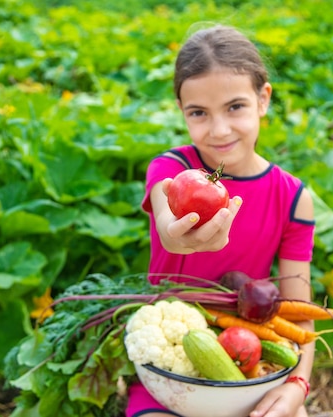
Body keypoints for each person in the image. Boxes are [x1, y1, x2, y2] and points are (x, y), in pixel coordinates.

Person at [126, 24, 316, 417]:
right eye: (199, 113)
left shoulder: (294, 198)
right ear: (182, 112)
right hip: (169, 369)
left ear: (263, 99)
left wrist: (298, 383)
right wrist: (176, 237)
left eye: (235, 107)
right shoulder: (173, 169)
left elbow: (298, 307)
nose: (219, 130)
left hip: (246, 357)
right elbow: (165, 211)